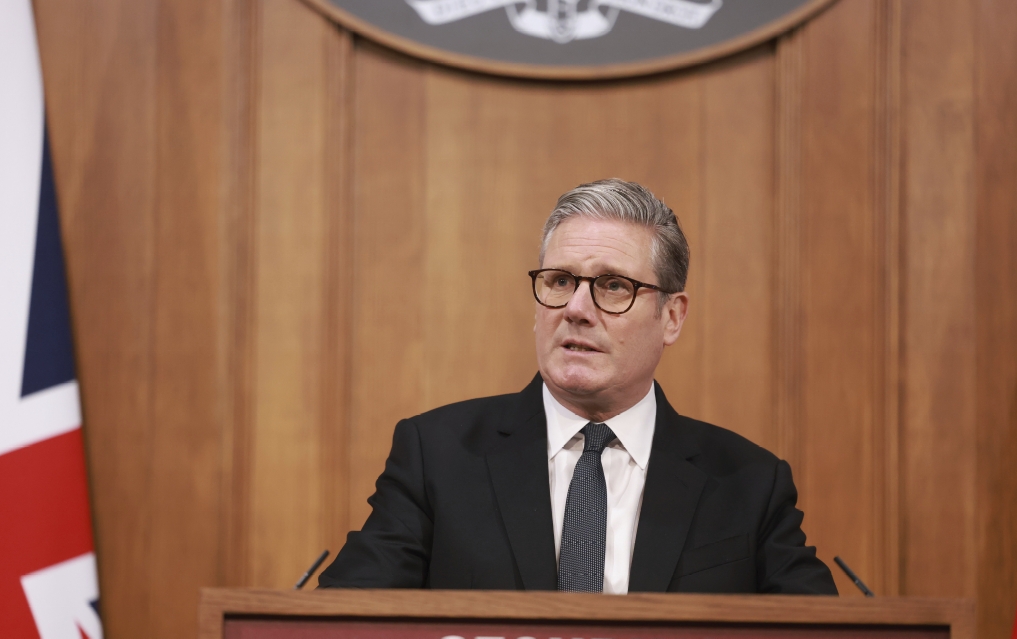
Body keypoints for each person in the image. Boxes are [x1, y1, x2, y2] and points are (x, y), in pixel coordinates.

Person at [320, 179, 836, 595]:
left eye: (613, 286)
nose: (576, 309)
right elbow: (342, 627)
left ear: (672, 317)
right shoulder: (438, 456)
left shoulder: (748, 484)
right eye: (560, 281)